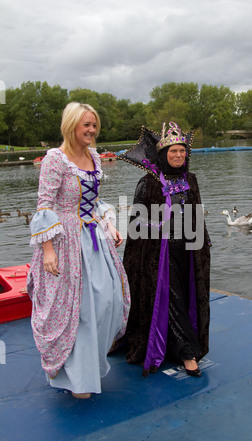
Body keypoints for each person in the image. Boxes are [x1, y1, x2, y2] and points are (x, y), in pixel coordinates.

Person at [27, 102, 130, 399]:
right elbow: (44, 206)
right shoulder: (55, 160)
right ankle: (76, 377)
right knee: (78, 310)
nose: (92, 130)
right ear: (71, 125)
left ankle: (91, 366)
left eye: (94, 125)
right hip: (65, 241)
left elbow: (94, 202)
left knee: (107, 302)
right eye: (86, 125)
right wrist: (48, 250)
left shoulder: (93, 156)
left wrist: (108, 224)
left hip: (93, 238)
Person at [119, 121, 211, 377]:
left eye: (182, 151)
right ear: (163, 154)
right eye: (173, 151)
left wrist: (203, 242)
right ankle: (187, 353)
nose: (179, 155)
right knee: (171, 299)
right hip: (159, 253)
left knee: (185, 296)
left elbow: (196, 216)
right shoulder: (148, 183)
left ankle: (177, 343)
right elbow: (136, 222)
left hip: (189, 250)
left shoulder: (191, 179)